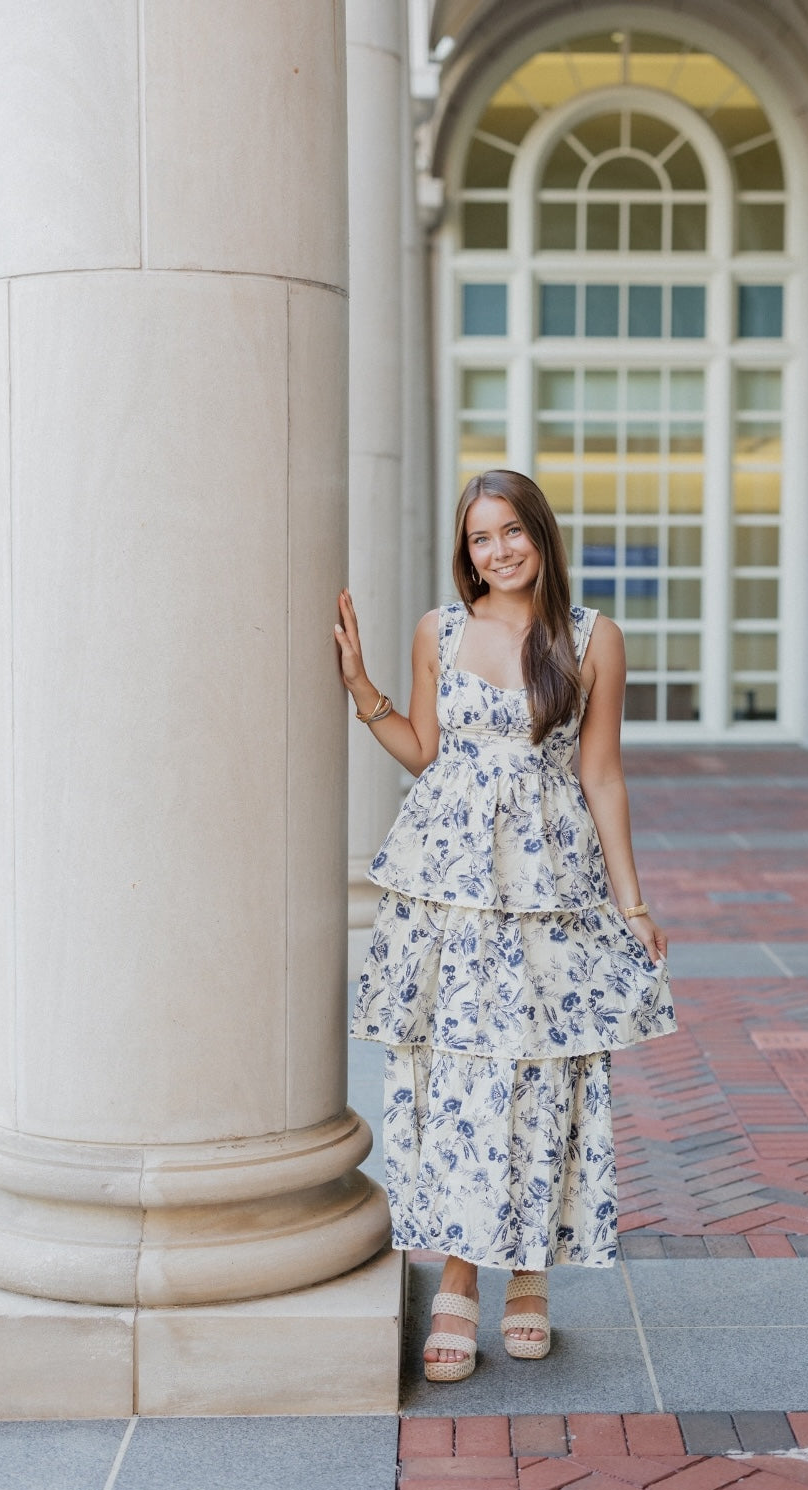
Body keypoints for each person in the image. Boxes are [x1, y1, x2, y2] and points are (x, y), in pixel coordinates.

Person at [336, 469, 676, 1383]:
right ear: (466, 551)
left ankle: (530, 1275)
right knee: (455, 1073)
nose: (499, 550)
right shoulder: (438, 631)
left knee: (542, 1073)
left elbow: (601, 774)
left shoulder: (592, 638)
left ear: (541, 535)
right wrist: (365, 691)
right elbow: (426, 751)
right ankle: (458, 1273)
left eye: (513, 531)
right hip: (450, 891)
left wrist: (632, 904)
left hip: (551, 888)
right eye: (482, 538)